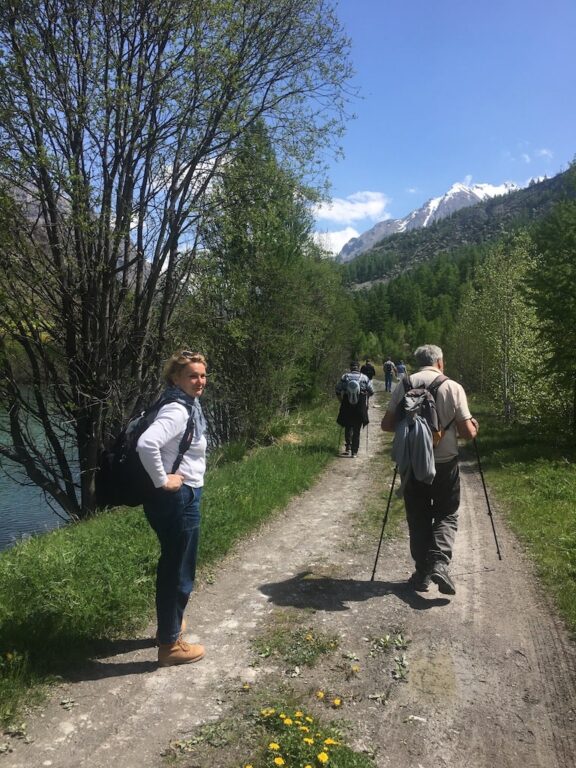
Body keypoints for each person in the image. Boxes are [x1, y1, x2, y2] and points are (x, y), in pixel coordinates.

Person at [380, 344, 479, 595]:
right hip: (445, 463)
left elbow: (387, 425)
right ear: (440, 362)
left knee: (418, 517)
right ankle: (439, 562)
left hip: (413, 464)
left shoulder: (405, 384)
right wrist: (474, 426)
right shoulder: (452, 387)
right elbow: (467, 433)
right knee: (447, 513)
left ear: (417, 362)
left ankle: (421, 574)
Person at [137, 350, 208, 667]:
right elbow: (146, 444)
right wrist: (162, 480)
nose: (200, 381)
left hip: (177, 497)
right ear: (176, 378)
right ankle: (170, 645)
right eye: (193, 375)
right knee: (178, 570)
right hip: (177, 499)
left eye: (203, 375)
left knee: (173, 564)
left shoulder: (183, 404)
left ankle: (170, 625)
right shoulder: (178, 411)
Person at [336, 361, 374, 457]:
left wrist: (341, 401)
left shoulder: (345, 377)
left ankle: (348, 447)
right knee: (357, 428)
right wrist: (366, 399)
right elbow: (371, 391)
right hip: (360, 405)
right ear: (358, 367)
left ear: (350, 368)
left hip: (347, 404)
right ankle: (354, 452)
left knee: (348, 425)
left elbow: (337, 390)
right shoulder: (365, 377)